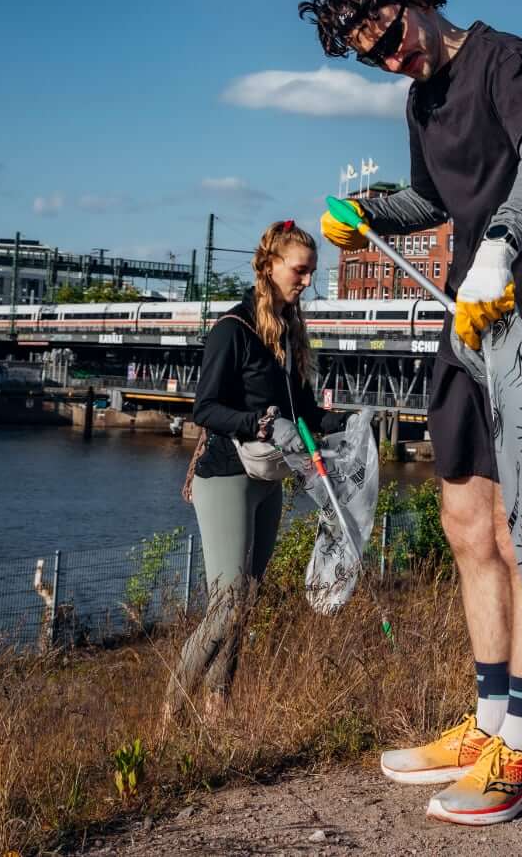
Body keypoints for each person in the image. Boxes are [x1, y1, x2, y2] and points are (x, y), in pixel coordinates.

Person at [300, 0, 522, 826]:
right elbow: (437, 198)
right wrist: (368, 213)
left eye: (389, 35)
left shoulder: (508, 61)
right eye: (369, 54)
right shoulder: (418, 96)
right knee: (464, 518)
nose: (388, 57)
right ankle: (482, 724)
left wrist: (505, 244)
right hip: (472, 320)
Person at [168, 221, 347, 716]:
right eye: (300, 271)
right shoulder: (233, 329)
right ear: (269, 266)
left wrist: (350, 423)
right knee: (226, 605)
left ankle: (217, 708)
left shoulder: (288, 333)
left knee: (245, 601)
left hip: (268, 480)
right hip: (226, 474)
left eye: (312, 273)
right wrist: (262, 422)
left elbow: (306, 413)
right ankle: (172, 711)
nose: (307, 281)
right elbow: (204, 409)